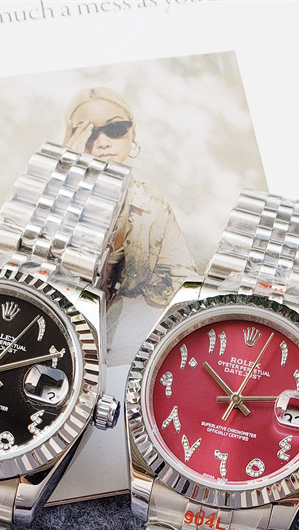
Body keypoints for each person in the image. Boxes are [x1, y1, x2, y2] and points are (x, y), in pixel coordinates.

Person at [63, 87, 197, 365]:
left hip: (126, 346)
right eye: (88, 132)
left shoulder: (152, 205)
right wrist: (67, 174)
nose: (102, 143)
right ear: (71, 136)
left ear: (132, 133)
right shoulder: (55, 194)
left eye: (115, 129)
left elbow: (182, 283)